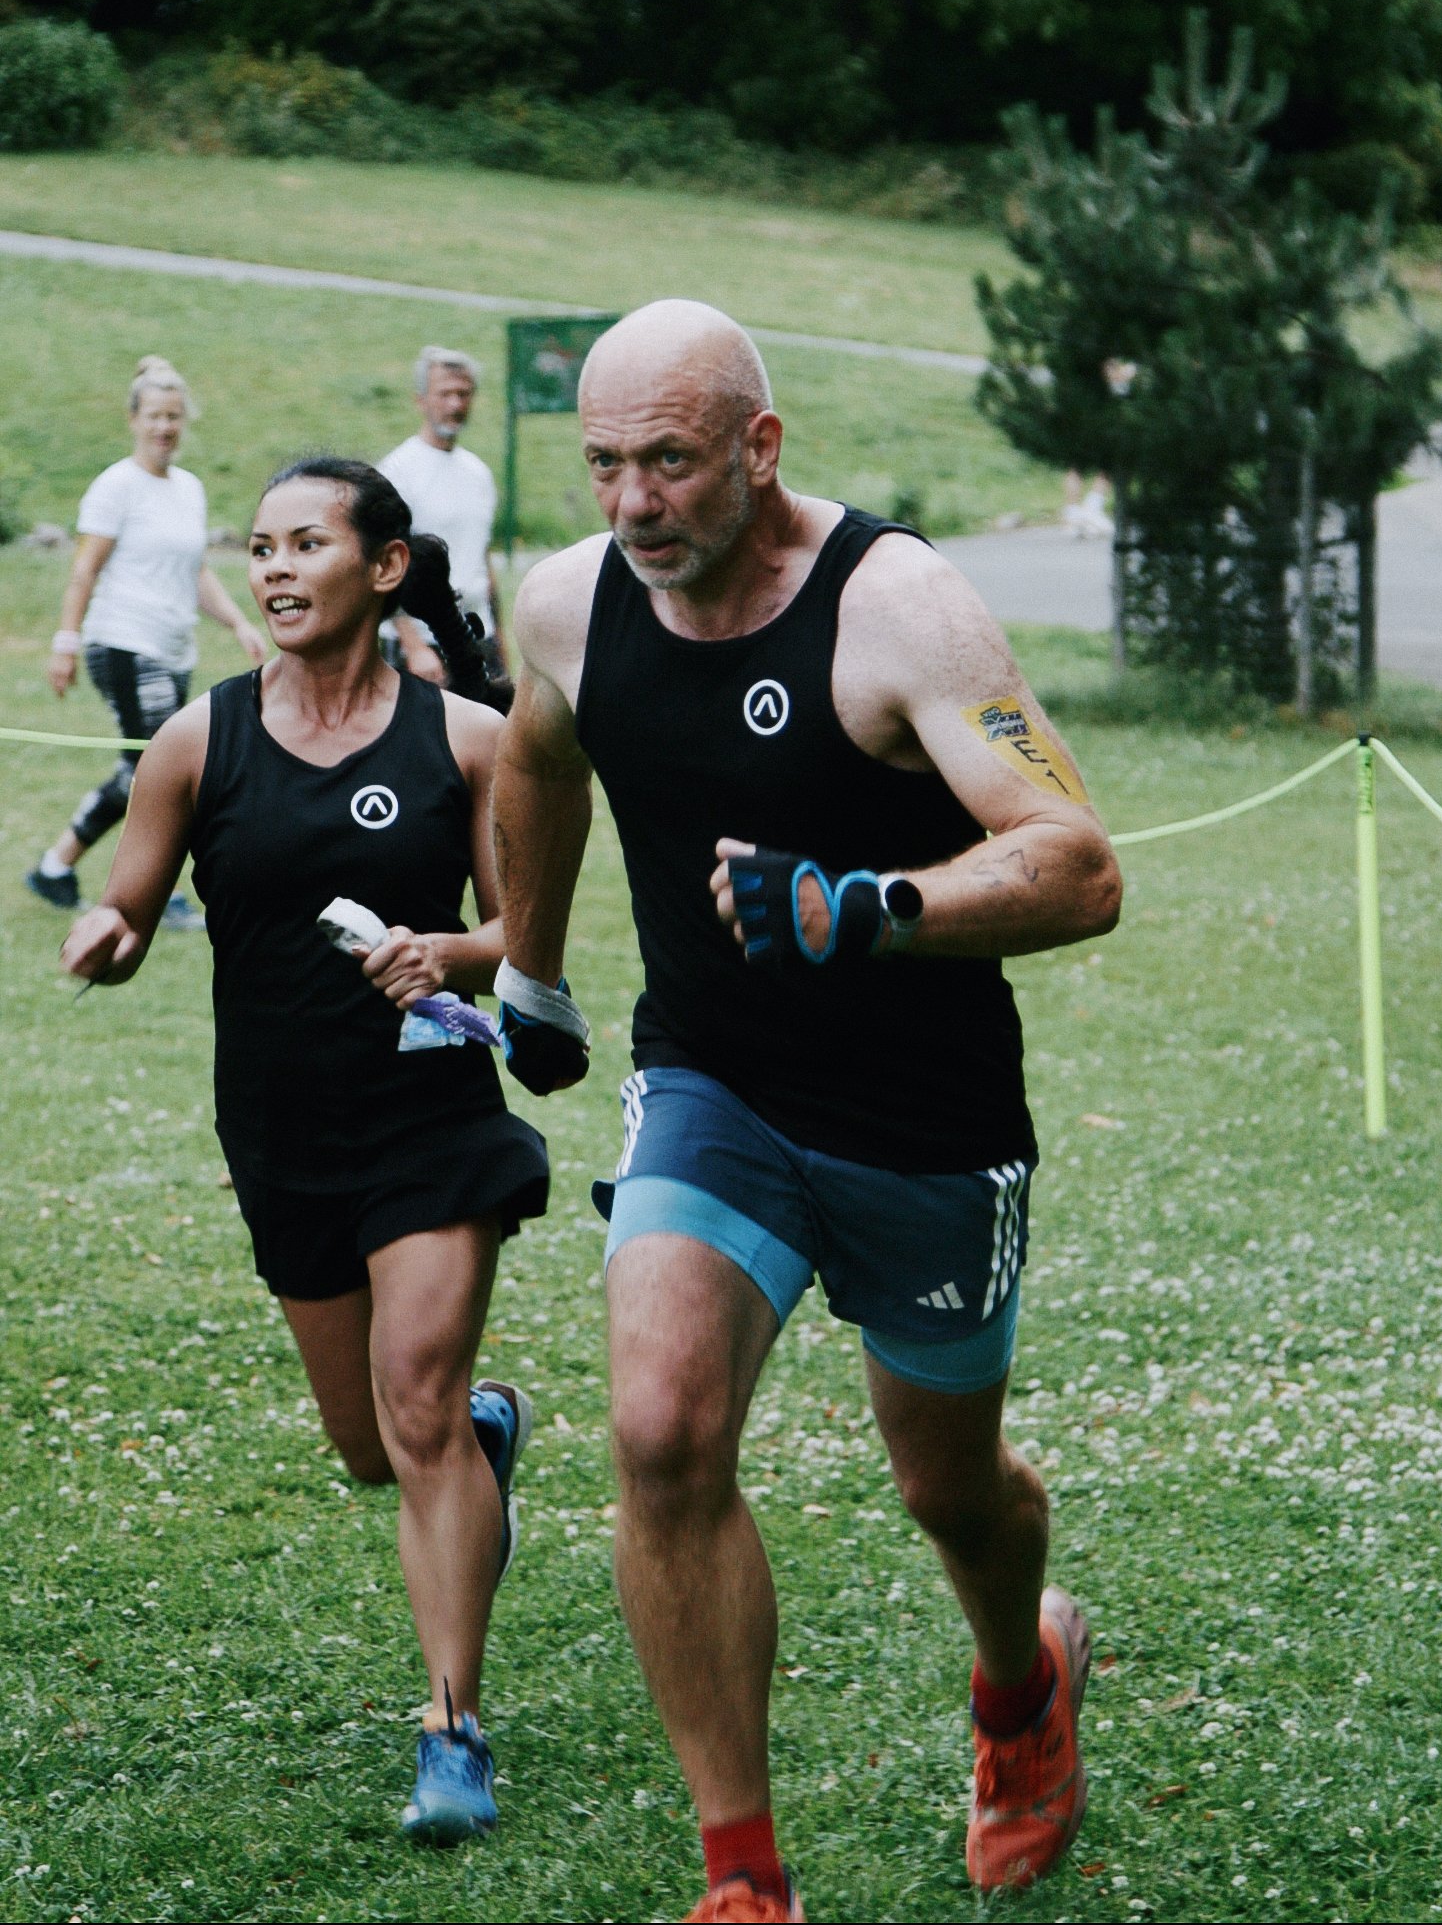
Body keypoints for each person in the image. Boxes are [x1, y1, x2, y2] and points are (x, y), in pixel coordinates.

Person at [493, 300, 1124, 1922]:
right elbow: (539, 762)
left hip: (927, 1118)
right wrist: (537, 973)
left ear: (760, 449)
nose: (633, 502)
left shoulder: (895, 604)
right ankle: (744, 1876)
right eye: (605, 463)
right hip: (712, 1086)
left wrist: (872, 904)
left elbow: (1074, 859)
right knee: (659, 1427)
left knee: (950, 1490)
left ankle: (1017, 1683)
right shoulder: (567, 604)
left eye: (672, 462)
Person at [60, 456, 551, 1843]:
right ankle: (483, 1437)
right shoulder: (198, 742)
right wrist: (107, 934)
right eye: (259, 547)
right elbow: (132, 899)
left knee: (412, 1404)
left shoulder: (465, 738)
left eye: (307, 544)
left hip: (433, 1111)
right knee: (368, 1448)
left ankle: (450, 1727)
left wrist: (443, 947)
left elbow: (526, 933)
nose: (275, 569)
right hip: (280, 1128)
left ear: (384, 566)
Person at [26, 354, 266, 927]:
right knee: (165, 770)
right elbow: (85, 569)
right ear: (133, 418)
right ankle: (155, 897)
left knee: (142, 769)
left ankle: (56, 866)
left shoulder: (189, 489)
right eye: (155, 415)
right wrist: (64, 641)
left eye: (175, 416)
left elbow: (196, 572)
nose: (165, 427)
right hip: (123, 643)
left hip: (171, 646)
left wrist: (237, 621)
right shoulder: (116, 486)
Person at [378, 347, 507, 690]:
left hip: (478, 637)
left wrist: (501, 644)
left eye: (463, 394)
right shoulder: (397, 472)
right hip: (423, 646)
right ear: (421, 399)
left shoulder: (478, 473)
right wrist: (414, 646)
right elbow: (385, 563)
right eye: (445, 394)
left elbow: (482, 561)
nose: (455, 404)